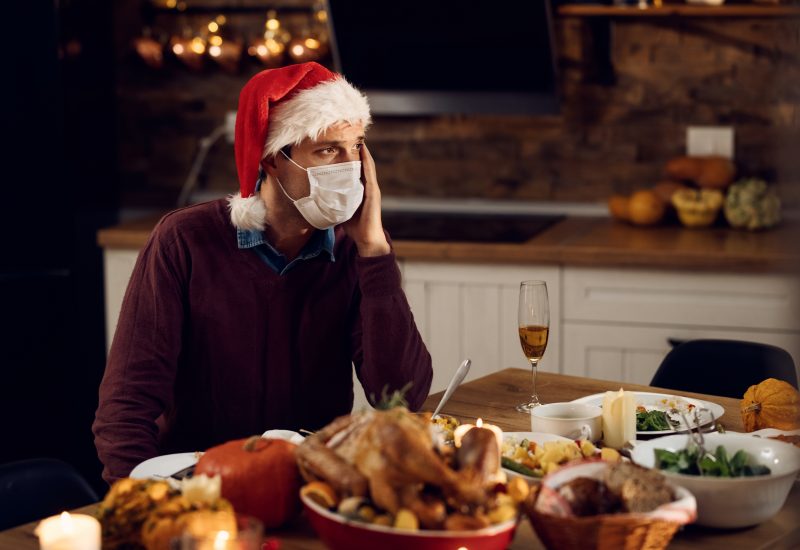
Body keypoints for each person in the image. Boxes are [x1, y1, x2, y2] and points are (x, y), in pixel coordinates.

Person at [93, 62, 433, 484]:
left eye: (356, 147)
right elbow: (126, 404)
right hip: (200, 485)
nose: (351, 169)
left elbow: (402, 401)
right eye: (328, 150)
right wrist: (136, 500)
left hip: (309, 485)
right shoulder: (184, 241)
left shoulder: (357, 249)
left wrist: (375, 252)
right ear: (272, 159)